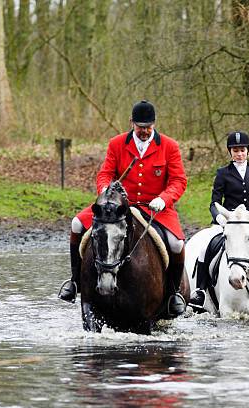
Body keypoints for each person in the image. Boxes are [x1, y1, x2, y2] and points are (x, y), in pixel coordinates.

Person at [58, 100, 188, 316]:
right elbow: (105, 173)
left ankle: (174, 293)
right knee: (76, 224)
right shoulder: (117, 143)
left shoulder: (169, 146)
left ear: (154, 125)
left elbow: (178, 181)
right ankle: (75, 283)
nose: (145, 131)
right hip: (117, 207)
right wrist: (106, 190)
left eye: (148, 127)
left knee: (176, 244)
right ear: (131, 123)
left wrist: (164, 199)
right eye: (140, 127)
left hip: (154, 208)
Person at [189, 131, 249, 312]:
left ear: (248, 151)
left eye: (242, 150)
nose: (239, 154)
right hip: (228, 222)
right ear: (230, 152)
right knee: (204, 249)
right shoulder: (222, 173)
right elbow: (214, 202)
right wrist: (220, 218)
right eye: (235, 151)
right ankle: (200, 291)